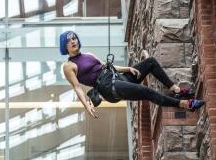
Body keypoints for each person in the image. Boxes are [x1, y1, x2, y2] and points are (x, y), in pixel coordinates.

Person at [60, 30, 205, 119]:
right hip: (108, 87)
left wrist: (128, 69)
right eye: (69, 41)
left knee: (150, 62)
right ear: (64, 46)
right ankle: (184, 104)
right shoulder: (69, 66)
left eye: (74, 38)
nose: (73, 41)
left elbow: (107, 66)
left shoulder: (89, 54)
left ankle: (176, 90)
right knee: (145, 91)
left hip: (116, 77)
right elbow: (77, 88)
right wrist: (87, 106)